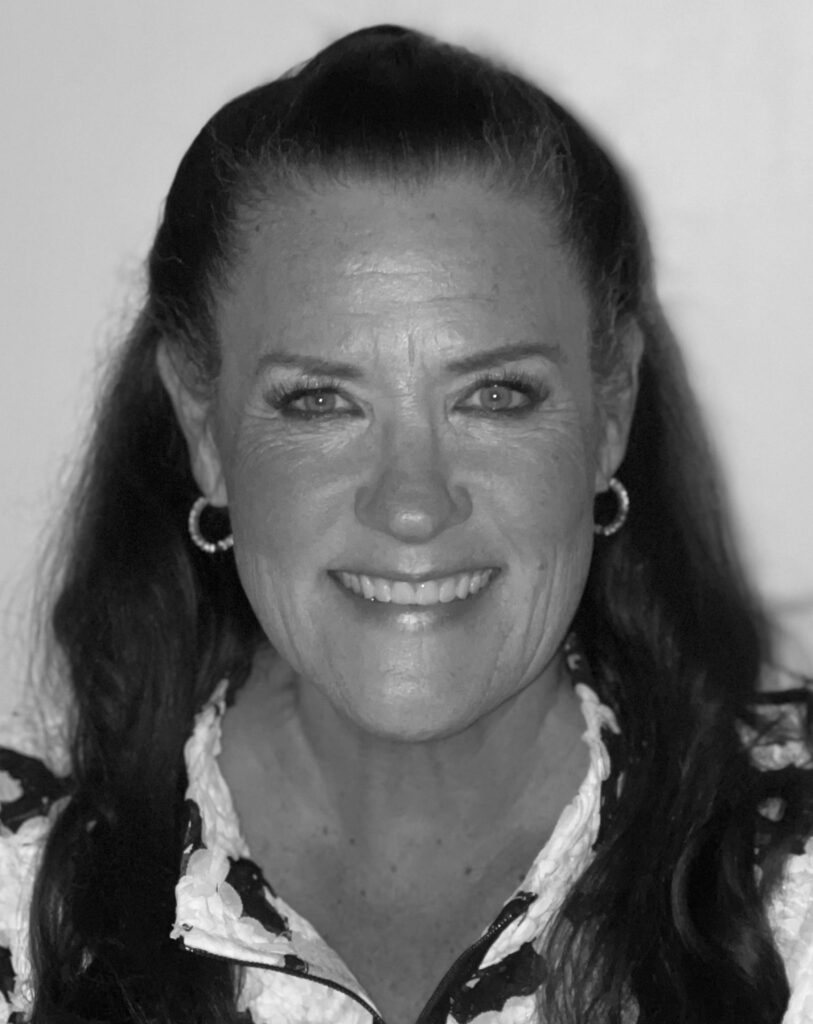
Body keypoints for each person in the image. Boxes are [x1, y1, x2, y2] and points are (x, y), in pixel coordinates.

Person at [1, 23, 811, 1024]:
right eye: (320, 402)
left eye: (496, 395)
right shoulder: (19, 873)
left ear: (612, 413)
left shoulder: (797, 884)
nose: (414, 502)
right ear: (204, 431)